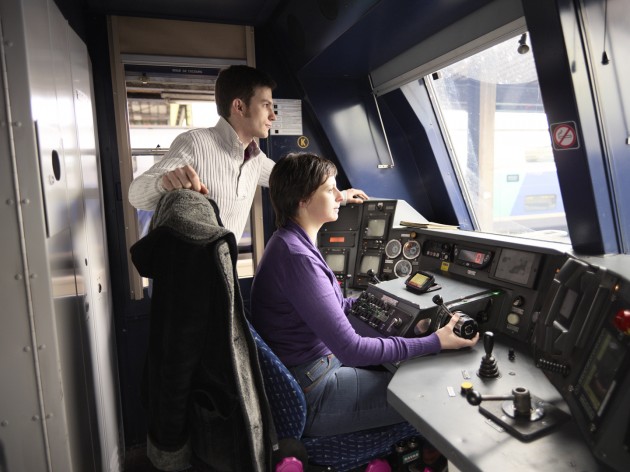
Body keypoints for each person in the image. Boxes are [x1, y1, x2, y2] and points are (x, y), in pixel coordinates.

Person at [250, 152, 479, 437]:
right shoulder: (298, 258)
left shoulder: (288, 240)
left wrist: (382, 301)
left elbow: (334, 304)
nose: (338, 195)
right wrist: (436, 341)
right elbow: (352, 349)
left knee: (400, 368)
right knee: (434, 397)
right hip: (316, 391)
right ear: (303, 200)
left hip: (311, 371)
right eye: (329, 189)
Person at [128, 65, 368, 241]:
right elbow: (136, 195)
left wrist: (341, 196)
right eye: (266, 105)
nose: (273, 116)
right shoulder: (194, 142)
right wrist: (164, 182)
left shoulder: (254, 158)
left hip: (224, 272)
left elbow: (298, 183)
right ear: (239, 106)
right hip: (187, 280)